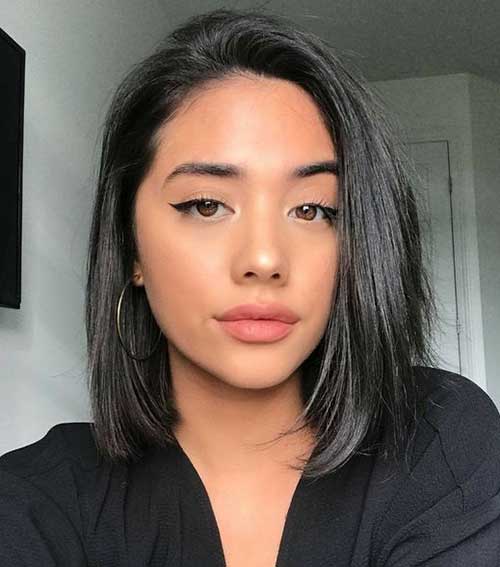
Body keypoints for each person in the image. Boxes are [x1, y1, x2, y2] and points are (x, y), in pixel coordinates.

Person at [1, 7, 499, 567]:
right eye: (206, 205)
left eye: (312, 209)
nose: (264, 259)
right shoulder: (34, 503)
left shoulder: (438, 436)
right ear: (131, 245)